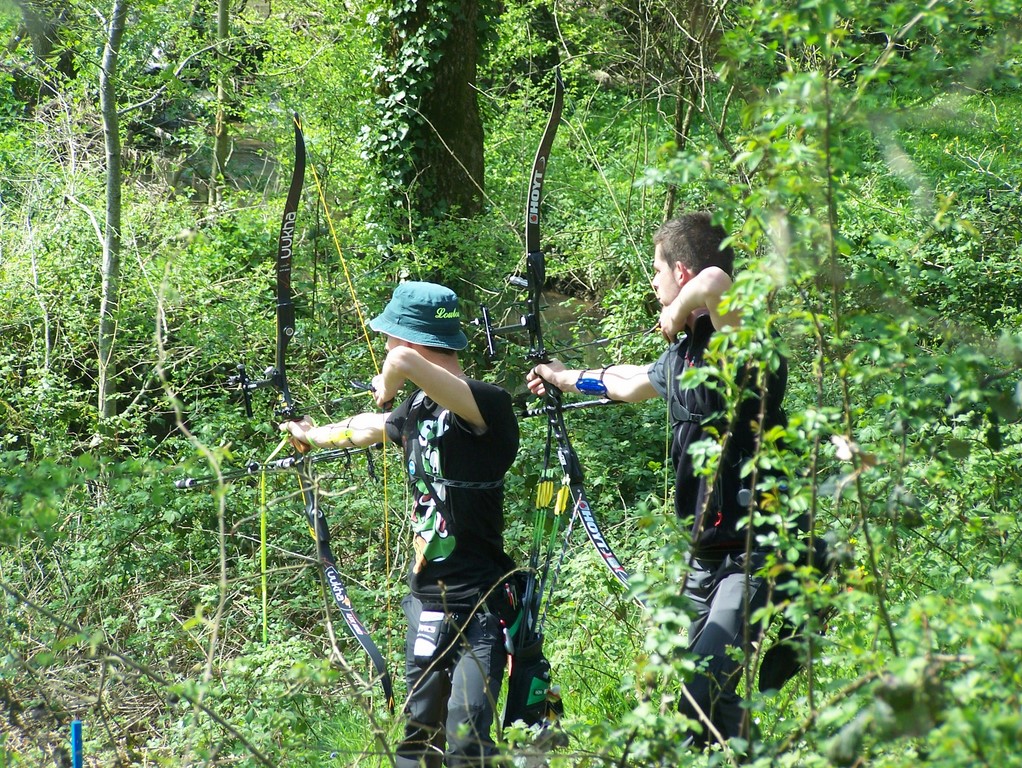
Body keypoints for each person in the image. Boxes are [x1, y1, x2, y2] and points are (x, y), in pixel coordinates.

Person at [526, 211, 820, 752]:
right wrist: (563, 377)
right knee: (713, 712)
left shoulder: (741, 334)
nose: (653, 284)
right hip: (705, 558)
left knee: (700, 688)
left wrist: (680, 308)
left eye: (658, 273)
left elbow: (716, 283)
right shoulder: (684, 353)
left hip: (753, 550)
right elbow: (631, 382)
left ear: (679, 271)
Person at [282, 281, 520, 768]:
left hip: (481, 601)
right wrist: (313, 436)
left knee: (468, 734)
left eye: (390, 337)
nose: (385, 347)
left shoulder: (487, 405)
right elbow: (368, 426)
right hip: (427, 600)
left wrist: (388, 382)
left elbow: (401, 365)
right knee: (417, 739)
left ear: (411, 340)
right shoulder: (415, 409)